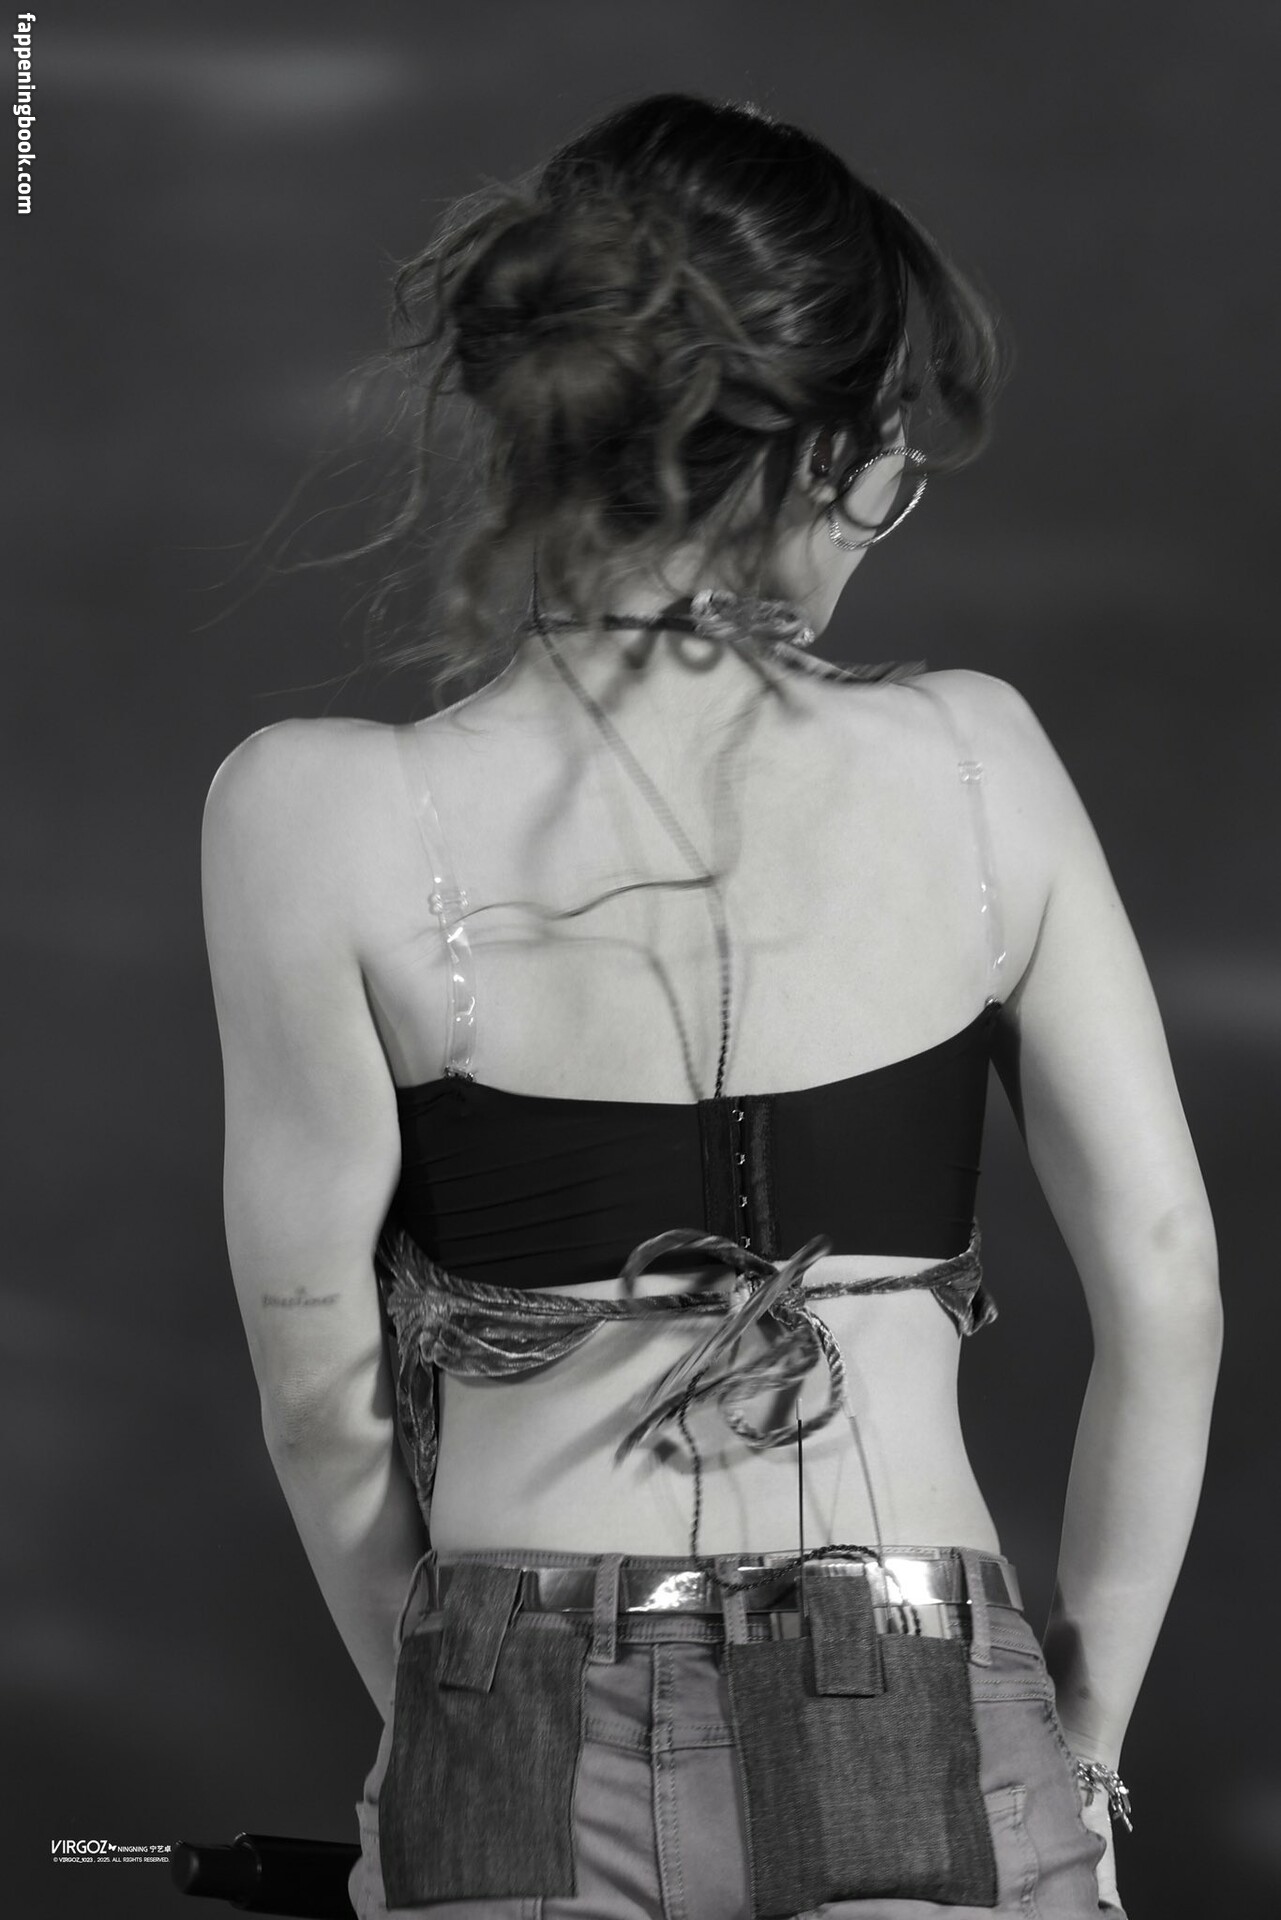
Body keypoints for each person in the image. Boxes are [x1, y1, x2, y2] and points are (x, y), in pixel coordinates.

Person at [201, 94, 1222, 1920]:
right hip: (923, 1674)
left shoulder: (311, 811)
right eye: (882, 461)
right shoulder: (973, 761)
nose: (877, 517)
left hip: (506, 1697)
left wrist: (446, 1727)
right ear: (805, 448)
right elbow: (1165, 1286)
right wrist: (1080, 1747)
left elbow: (314, 1393)